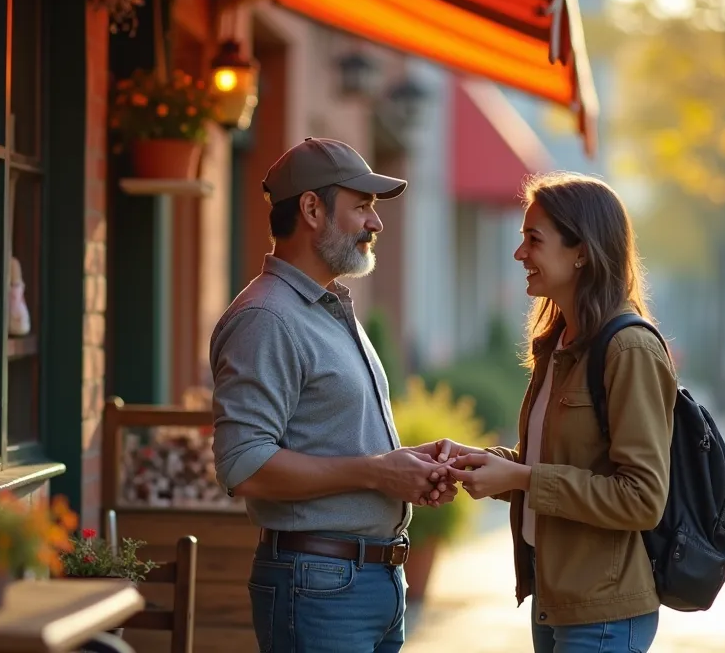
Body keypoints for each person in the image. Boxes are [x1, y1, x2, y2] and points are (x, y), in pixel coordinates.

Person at [210, 137, 456, 653]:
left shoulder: (324, 307)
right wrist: (376, 472)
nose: (376, 222)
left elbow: (334, 443)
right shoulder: (266, 317)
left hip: (366, 581)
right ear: (311, 209)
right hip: (318, 586)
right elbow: (244, 466)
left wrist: (404, 466)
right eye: (362, 205)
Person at [436, 172, 677, 653]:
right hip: (555, 601)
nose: (519, 253)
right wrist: (481, 463)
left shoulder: (629, 349)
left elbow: (642, 498)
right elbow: (553, 466)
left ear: (581, 251)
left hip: (604, 614)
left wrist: (522, 478)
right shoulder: (559, 346)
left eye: (534, 239)